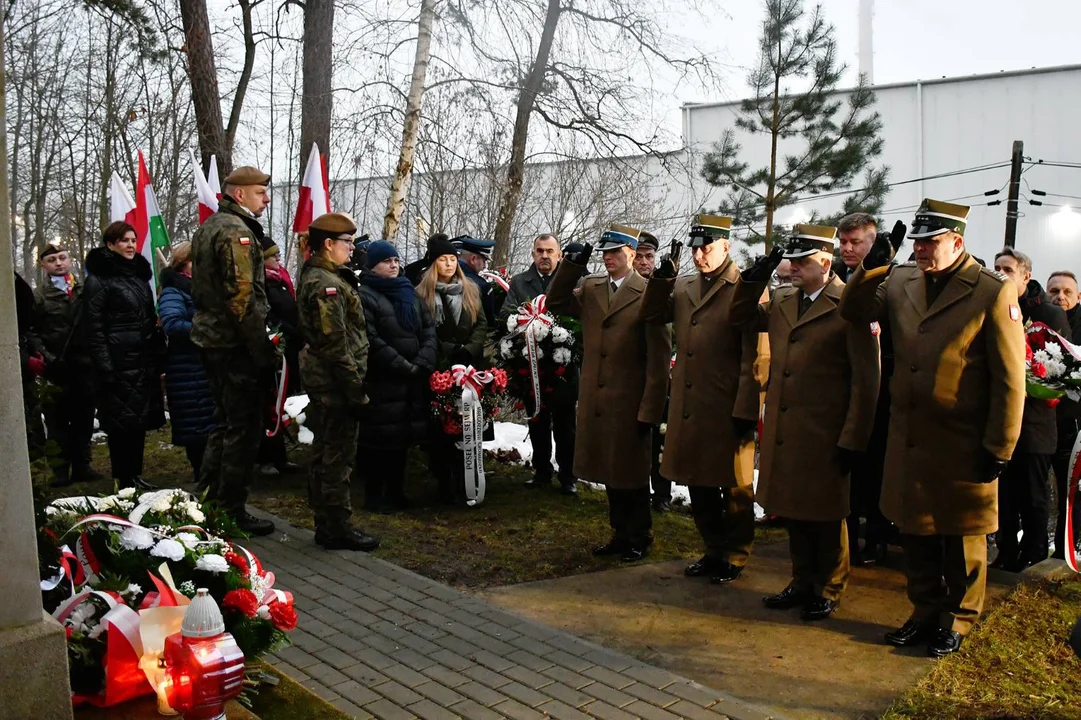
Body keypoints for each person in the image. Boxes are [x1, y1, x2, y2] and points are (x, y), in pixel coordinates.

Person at [839, 198, 1025, 657]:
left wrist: (1000, 445)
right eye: (917, 242)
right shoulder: (901, 280)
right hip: (910, 432)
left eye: (930, 242)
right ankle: (924, 612)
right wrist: (873, 270)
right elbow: (855, 312)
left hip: (963, 437)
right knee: (915, 530)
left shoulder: (989, 290)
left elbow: (1010, 378)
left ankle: (959, 620)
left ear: (957, 242)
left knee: (962, 534)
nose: (920, 250)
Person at [731, 224, 879, 621]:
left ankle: (829, 587)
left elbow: (867, 377)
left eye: (801, 261)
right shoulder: (782, 299)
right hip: (786, 425)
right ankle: (802, 580)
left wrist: (854, 434)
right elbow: (739, 316)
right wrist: (753, 279)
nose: (793, 267)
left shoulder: (849, 303)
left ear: (825, 262)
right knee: (793, 509)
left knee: (827, 513)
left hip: (827, 428)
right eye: (791, 260)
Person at [641, 214, 769, 584]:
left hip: (728, 401)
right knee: (698, 480)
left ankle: (737, 554)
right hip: (690, 402)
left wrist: (747, 406)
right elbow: (650, 315)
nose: (699, 255)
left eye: (706, 247)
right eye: (695, 248)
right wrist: (662, 278)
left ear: (727, 246)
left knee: (735, 485)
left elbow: (758, 354)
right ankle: (713, 548)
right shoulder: (683, 287)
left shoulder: (746, 286)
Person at [547, 224, 671, 562]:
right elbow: (555, 302)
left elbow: (659, 360)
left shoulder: (648, 292)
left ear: (631, 254)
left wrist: (651, 409)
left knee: (631, 471)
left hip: (630, 399)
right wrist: (571, 265)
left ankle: (639, 535)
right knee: (609, 470)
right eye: (604, 252)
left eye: (615, 252)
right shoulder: (592, 287)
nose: (608, 258)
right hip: (597, 397)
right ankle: (619, 533)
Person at [190, 166, 278, 535]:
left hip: (215, 340)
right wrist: (260, 347)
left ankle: (209, 503)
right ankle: (229, 510)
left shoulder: (210, 226)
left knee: (224, 423)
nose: (267, 198)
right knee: (241, 428)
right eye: (260, 192)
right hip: (235, 343)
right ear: (239, 194)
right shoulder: (235, 231)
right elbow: (242, 298)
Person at [297, 213, 380, 551]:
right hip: (335, 384)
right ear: (328, 245)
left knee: (328, 454)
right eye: (347, 243)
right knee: (336, 458)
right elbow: (335, 344)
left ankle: (328, 524)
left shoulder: (327, 276)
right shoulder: (325, 284)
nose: (352, 248)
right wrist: (355, 390)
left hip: (332, 381)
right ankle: (336, 528)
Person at [992, 248, 1071, 570]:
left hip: (1035, 420)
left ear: (1026, 276)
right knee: (1003, 493)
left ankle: (1035, 552)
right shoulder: (993, 304)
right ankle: (1006, 551)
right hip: (999, 417)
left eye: (1007, 269)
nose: (1000, 273)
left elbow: (1057, 369)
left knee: (1033, 494)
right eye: (996, 267)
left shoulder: (1049, 314)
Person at [836, 212, 900, 566]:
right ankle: (846, 538)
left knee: (874, 466)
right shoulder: (835, 273)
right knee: (846, 468)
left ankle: (875, 537)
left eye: (855, 242)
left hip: (879, 386)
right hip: (841, 383)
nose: (846, 248)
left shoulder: (892, 279)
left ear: (873, 243)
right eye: (843, 241)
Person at [84, 222, 166, 490]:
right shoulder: (99, 280)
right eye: (125, 241)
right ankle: (124, 478)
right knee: (120, 424)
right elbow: (94, 328)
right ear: (110, 244)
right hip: (118, 363)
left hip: (140, 361)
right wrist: (106, 367)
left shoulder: (139, 277)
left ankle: (135, 474)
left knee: (137, 421)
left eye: (133, 240)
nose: (131, 245)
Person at [356, 241, 437, 511]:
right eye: (386, 261)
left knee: (402, 438)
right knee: (380, 441)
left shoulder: (410, 293)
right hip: (384, 379)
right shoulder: (365, 295)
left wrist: (423, 361)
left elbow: (428, 330)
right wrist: (403, 365)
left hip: (411, 380)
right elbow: (371, 339)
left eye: (395, 260)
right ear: (373, 266)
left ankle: (396, 492)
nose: (393, 265)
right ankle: (375, 496)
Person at [500, 234, 579, 494]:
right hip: (529, 365)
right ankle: (542, 470)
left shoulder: (572, 282)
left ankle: (568, 477)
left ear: (559, 255)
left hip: (562, 365)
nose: (544, 256)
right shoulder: (521, 282)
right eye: (539, 251)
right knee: (537, 421)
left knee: (566, 424)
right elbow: (506, 313)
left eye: (550, 251)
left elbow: (578, 318)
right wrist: (525, 325)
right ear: (533, 254)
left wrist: (555, 331)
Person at [417, 236, 489, 503]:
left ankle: (466, 479)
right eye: (442, 259)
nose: (448, 264)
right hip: (441, 367)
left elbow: (481, 323)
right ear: (434, 262)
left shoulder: (470, 288)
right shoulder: (423, 293)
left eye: (451, 259)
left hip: (469, 365)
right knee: (442, 426)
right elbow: (424, 329)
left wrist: (470, 348)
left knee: (468, 425)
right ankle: (444, 479)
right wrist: (446, 350)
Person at [33, 244, 99, 486]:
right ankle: (60, 470)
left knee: (84, 418)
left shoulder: (84, 290)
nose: (58, 263)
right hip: (56, 368)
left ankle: (83, 465)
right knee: (57, 421)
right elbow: (32, 332)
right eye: (52, 260)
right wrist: (47, 357)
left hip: (84, 365)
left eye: (62, 258)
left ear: (70, 260)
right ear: (43, 265)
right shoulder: (39, 296)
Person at [158, 242, 216, 485]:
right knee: (196, 428)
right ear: (184, 263)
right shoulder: (173, 291)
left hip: (205, 365)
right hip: (187, 368)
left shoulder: (204, 288)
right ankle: (201, 476)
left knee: (208, 423)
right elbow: (172, 324)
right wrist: (209, 329)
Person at [631, 230, 674, 511]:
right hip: (633, 372)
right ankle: (635, 488)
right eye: (639, 256)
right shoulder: (627, 288)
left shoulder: (667, 287)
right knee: (634, 434)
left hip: (662, 373)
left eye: (649, 256)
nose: (645, 262)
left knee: (661, 434)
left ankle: (661, 494)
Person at [259, 240, 301, 476]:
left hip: (289, 349)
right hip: (275, 349)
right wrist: (288, 330)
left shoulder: (281, 280)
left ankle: (280, 457)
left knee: (281, 404)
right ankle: (266, 458)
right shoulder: (264, 283)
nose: (278, 259)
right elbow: (268, 315)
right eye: (273, 256)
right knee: (270, 405)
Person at [1047, 270, 1081, 559]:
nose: (1060, 297)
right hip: (1041, 423)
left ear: (1078, 296)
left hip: (1072, 424)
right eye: (1054, 291)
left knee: (1071, 493)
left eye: (1066, 291)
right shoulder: (1039, 322)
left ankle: (1066, 551)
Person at [451, 235, 497, 326]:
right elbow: (489, 321)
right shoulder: (482, 285)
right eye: (484, 261)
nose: (484, 266)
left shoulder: (445, 276)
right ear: (473, 259)